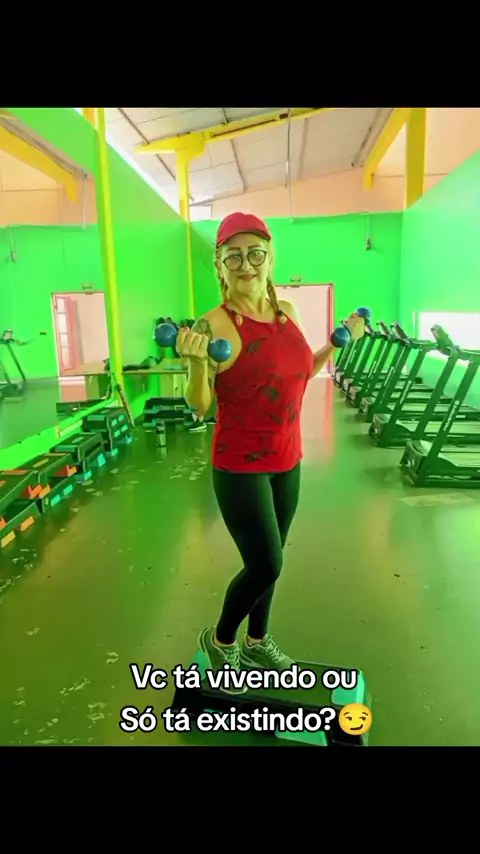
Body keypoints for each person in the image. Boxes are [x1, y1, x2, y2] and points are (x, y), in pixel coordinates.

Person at [177, 212, 365, 694]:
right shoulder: (213, 324)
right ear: (220, 264)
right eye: (233, 256)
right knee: (266, 564)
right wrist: (196, 364)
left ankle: (257, 641)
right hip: (240, 463)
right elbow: (199, 406)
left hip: (288, 457)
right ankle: (221, 641)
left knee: (272, 557)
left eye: (255, 253)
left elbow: (299, 373)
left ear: (270, 258)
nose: (246, 264)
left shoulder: (288, 314)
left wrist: (335, 344)